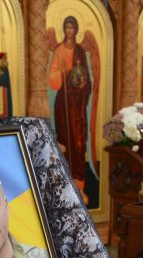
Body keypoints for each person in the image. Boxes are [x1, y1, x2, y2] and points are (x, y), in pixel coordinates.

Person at [48, 16, 92, 203]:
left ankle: (80, 187)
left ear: (76, 30)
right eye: (66, 27)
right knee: (65, 142)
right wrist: (64, 72)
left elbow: (86, 79)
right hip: (63, 105)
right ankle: (65, 187)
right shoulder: (58, 51)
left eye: (72, 28)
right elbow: (52, 78)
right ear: (63, 30)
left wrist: (81, 82)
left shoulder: (80, 51)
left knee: (79, 144)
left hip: (78, 107)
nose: (69, 31)